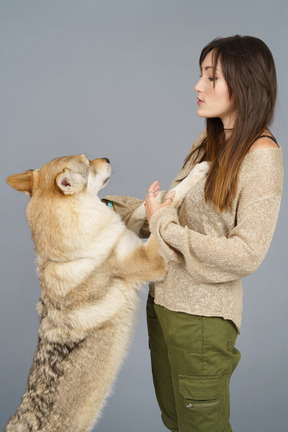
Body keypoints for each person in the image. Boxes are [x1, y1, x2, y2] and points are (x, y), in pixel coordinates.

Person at [105, 35, 283, 432]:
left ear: (246, 84)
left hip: (201, 322)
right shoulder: (211, 140)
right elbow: (177, 215)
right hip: (164, 304)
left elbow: (246, 254)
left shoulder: (262, 159)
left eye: (211, 77)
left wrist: (163, 223)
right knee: (176, 421)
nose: (197, 86)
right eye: (201, 75)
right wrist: (113, 210)